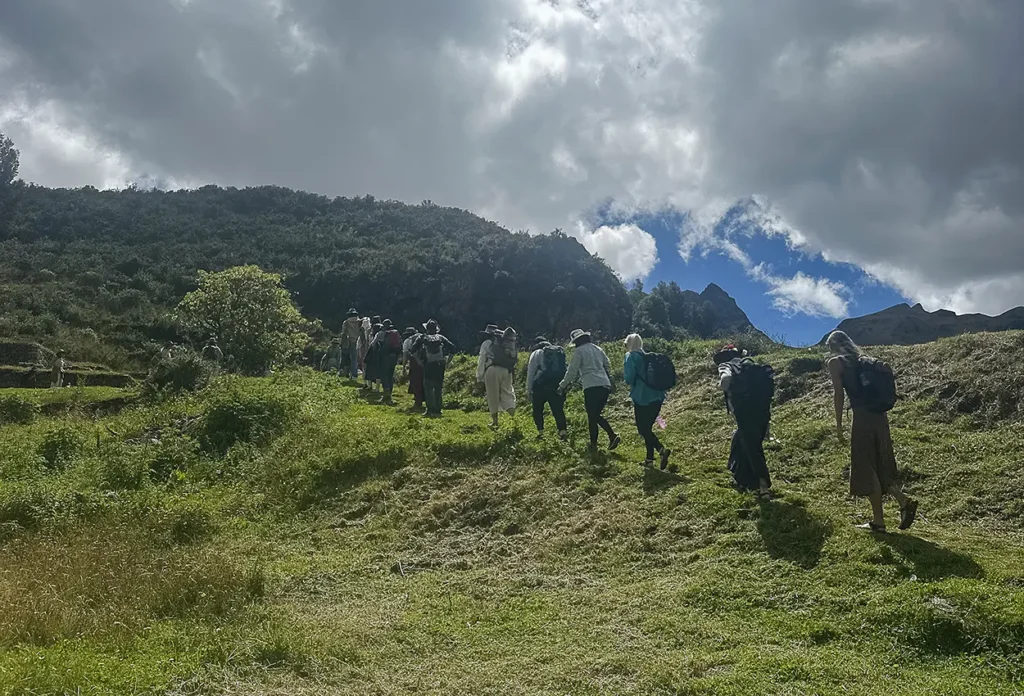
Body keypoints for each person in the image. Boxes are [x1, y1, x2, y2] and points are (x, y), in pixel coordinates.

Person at [827, 330, 918, 532]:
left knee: (866, 465)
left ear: (833, 346)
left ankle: (878, 522)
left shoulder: (836, 363)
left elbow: (838, 394)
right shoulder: (865, 361)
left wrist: (839, 425)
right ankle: (903, 501)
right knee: (879, 462)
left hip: (862, 418)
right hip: (880, 416)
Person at [716, 345, 773, 499]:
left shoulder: (726, 366)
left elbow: (725, 380)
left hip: (744, 412)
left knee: (753, 448)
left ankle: (763, 487)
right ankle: (743, 479)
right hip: (762, 410)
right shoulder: (750, 364)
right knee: (739, 441)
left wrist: (720, 386)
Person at [558, 329, 620, 451]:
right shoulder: (598, 349)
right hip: (604, 385)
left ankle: (612, 435)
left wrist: (562, 386)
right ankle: (593, 444)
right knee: (593, 415)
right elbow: (607, 364)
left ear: (576, 341)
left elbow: (572, 371)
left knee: (593, 415)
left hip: (591, 386)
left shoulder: (579, 351)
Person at [624, 334, 672, 469]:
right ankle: (649, 460)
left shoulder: (630, 357)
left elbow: (628, 378)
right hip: (658, 395)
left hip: (641, 397)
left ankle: (661, 450)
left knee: (642, 429)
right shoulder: (648, 356)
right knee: (648, 429)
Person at [526, 336, 568, 441]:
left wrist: (528, 390)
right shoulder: (558, 352)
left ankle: (541, 432)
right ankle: (562, 431)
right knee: (557, 409)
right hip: (555, 384)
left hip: (540, 385)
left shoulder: (536, 353)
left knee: (538, 409)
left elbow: (531, 373)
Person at [411, 319, 455, 417]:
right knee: (438, 387)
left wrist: (418, 361)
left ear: (426, 328)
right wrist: (447, 362)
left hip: (428, 364)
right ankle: (438, 409)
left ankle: (430, 409)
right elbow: (453, 348)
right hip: (440, 365)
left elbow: (413, 350)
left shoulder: (422, 337)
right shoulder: (441, 337)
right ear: (436, 328)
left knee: (428, 387)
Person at [481, 327, 518, 429]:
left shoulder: (494, 342)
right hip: (507, 371)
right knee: (508, 394)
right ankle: (513, 421)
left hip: (493, 369)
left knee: (493, 396)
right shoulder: (513, 345)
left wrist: (479, 376)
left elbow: (483, 358)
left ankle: (495, 422)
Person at [371, 319, 403, 405]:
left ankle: (386, 394)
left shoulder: (381, 333)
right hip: (394, 357)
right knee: (390, 375)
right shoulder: (396, 333)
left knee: (384, 375)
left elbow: (373, 345)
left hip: (384, 357)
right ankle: (389, 396)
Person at [402, 326, 424, 410]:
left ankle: (418, 401)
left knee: (415, 381)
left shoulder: (408, 340)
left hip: (415, 362)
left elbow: (405, 354)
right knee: (423, 380)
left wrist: (404, 367)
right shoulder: (422, 337)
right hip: (425, 361)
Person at [341, 308, 363, 379]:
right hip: (358, 342)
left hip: (349, 342)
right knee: (355, 359)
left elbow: (344, 333)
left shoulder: (346, 322)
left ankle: (348, 373)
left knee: (347, 358)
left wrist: (342, 342)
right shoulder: (360, 322)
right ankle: (354, 375)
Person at [363, 316, 383, 392]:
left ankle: (369, 385)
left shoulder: (371, 330)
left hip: (372, 351)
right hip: (381, 352)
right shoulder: (382, 330)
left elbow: (370, 342)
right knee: (378, 370)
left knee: (369, 368)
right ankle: (377, 387)